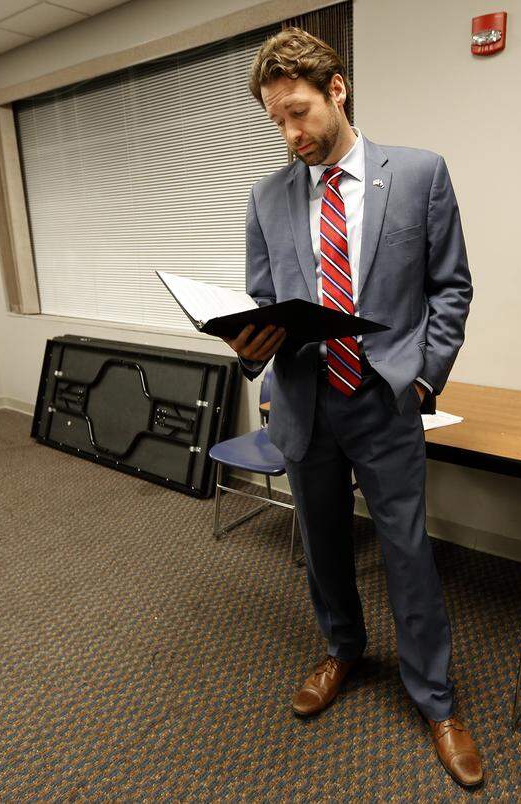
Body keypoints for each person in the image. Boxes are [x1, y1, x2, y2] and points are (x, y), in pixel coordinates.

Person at [220, 28, 479, 787]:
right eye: (276, 121)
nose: (291, 133)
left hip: (383, 400)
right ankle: (342, 652)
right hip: (303, 403)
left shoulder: (421, 175)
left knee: (407, 553)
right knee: (324, 547)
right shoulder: (266, 197)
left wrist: (424, 380)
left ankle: (435, 700)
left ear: (337, 89)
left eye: (298, 112)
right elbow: (263, 304)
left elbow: (451, 289)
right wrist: (248, 345)